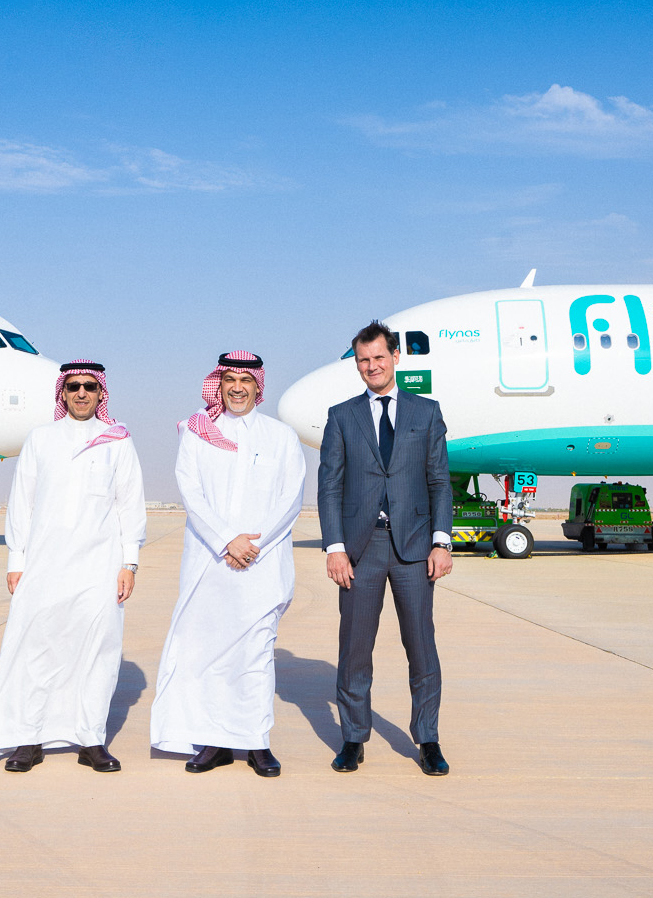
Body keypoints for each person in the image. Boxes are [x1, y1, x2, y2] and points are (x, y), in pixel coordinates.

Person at [0, 359, 146, 774]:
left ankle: (91, 740)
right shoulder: (41, 439)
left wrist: (129, 562)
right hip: (44, 563)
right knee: (38, 649)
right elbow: (22, 501)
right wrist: (16, 560)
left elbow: (130, 504)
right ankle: (29, 739)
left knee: (97, 650)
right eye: (73, 387)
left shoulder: (117, 440)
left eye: (90, 386)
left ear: (101, 392)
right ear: (63, 393)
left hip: (100, 565)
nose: (81, 393)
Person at [151, 351, 306, 777]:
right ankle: (214, 743)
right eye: (230, 380)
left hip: (262, 565)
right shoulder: (198, 432)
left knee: (255, 655)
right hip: (210, 563)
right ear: (218, 385)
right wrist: (226, 541)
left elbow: (291, 498)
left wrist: (252, 545)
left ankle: (256, 743)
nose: (238, 387)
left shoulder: (281, 436)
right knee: (208, 655)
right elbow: (191, 493)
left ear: (259, 386)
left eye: (246, 380)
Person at [318, 321, 454, 776]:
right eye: (363, 360)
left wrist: (441, 541)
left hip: (415, 548)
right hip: (361, 549)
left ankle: (428, 739)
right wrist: (335, 547)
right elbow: (329, 486)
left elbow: (439, 482)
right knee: (355, 649)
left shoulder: (426, 412)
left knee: (422, 647)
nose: (371, 366)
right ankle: (353, 738)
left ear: (396, 357)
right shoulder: (342, 416)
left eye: (379, 357)